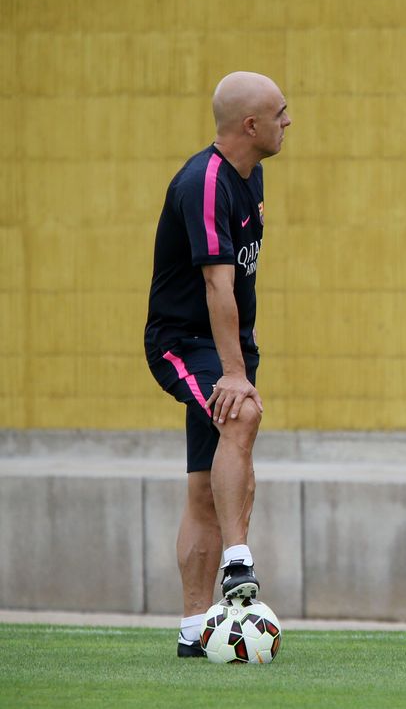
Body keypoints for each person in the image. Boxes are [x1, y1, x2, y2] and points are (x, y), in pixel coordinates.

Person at [144, 71, 290, 657]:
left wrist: (238, 361)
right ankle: (238, 566)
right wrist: (233, 373)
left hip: (227, 347)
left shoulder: (249, 177)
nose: (289, 121)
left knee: (204, 488)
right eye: (281, 112)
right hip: (184, 343)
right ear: (250, 125)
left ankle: (192, 631)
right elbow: (215, 284)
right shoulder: (205, 183)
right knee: (242, 416)